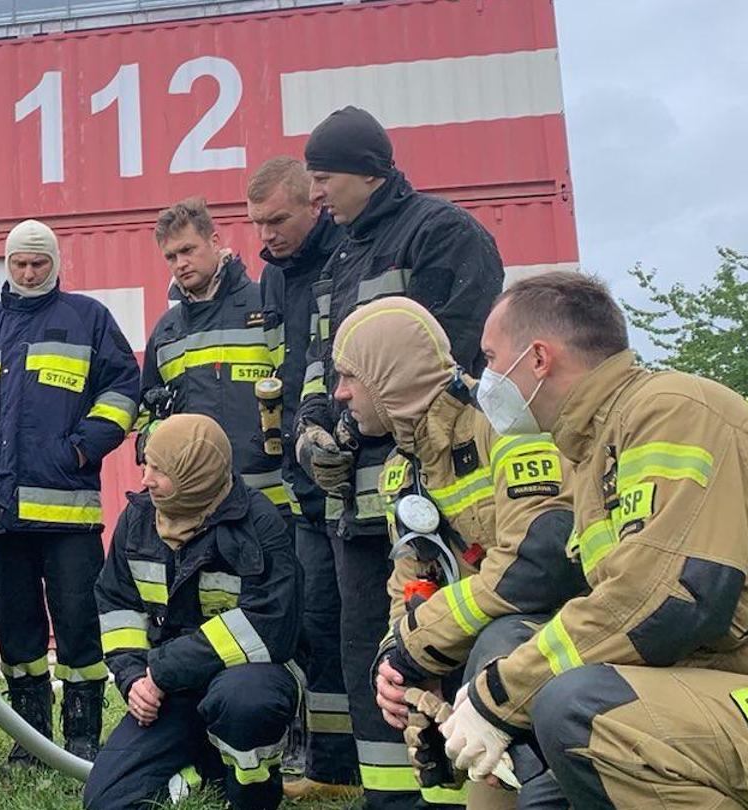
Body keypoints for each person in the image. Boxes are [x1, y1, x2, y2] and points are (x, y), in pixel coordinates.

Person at [441, 272, 748, 808]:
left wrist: (499, 697)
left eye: (491, 358)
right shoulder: (596, 446)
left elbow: (667, 601)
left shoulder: (673, 411)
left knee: (586, 709)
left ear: (538, 359)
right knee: (515, 643)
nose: (483, 379)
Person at [294, 106, 504, 810]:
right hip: (356, 503)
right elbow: (329, 364)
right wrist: (316, 428)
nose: (315, 195)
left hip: (439, 493)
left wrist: (356, 435)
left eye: (322, 178)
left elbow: (451, 357)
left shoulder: (444, 235)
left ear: (367, 171)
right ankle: (390, 798)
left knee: (439, 641)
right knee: (367, 649)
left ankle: (449, 792)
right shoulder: (339, 255)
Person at [331, 298, 585, 808]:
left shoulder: (507, 427)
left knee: (499, 639)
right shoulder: (401, 474)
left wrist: (418, 644)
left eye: (349, 377)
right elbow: (408, 585)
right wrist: (395, 661)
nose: (340, 395)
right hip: (489, 639)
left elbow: (537, 570)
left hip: (564, 631)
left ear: (390, 376)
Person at [0, 219, 140, 765]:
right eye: (19, 264)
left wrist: (80, 449)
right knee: (15, 630)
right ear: (7, 265)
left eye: (39, 263)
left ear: (56, 263)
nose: (29, 273)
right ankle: (31, 741)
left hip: (67, 512)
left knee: (79, 626)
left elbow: (123, 391)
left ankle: (81, 736)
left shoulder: (88, 319)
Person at [84, 414, 301, 810]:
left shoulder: (260, 524)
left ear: (194, 475)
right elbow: (117, 606)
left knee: (246, 703)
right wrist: (134, 679)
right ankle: (205, 766)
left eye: (158, 470)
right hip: (169, 686)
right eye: (145, 464)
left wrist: (163, 671)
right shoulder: (138, 520)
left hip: (248, 675)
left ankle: (252, 790)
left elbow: (269, 627)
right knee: (106, 800)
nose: (145, 479)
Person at [246, 156, 356, 798]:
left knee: (363, 622)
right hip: (301, 478)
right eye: (258, 222)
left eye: (278, 219)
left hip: (354, 465)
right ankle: (334, 769)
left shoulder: (347, 256)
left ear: (315, 202)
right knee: (317, 622)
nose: (267, 234)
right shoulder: (273, 277)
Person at [138, 198, 288, 517]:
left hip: (272, 499)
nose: (180, 263)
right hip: (199, 506)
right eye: (171, 256)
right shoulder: (166, 330)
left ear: (214, 241)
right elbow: (144, 414)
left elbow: (297, 382)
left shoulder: (265, 304)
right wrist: (154, 437)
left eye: (188, 250)